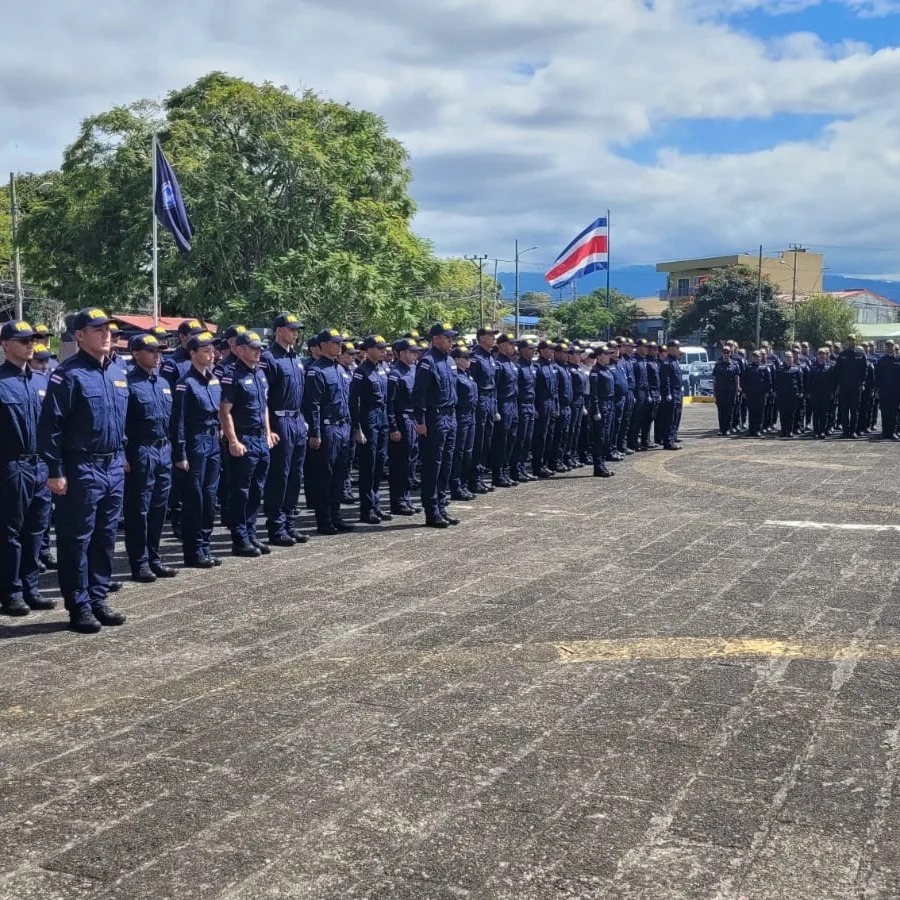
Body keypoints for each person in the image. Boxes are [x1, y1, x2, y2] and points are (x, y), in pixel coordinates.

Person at [38, 308, 128, 633]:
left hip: (112, 465)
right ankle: (79, 606)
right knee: (76, 539)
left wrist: (123, 453)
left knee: (105, 537)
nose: (107, 335)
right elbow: (51, 427)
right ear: (80, 336)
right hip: (81, 467)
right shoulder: (68, 374)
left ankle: (98, 597)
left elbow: (121, 420)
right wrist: (55, 470)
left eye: (108, 329)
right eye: (97, 330)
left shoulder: (118, 372)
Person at [0, 320, 55, 616]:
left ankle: (31, 588)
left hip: (40, 465)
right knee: (10, 531)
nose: (30, 344)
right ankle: (10, 592)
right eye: (23, 340)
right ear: (5, 345)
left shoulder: (40, 380)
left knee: (37, 529)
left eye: (32, 339)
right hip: (11, 465)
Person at [123, 333, 176, 582]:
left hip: (163, 450)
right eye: (151, 351)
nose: (157, 355)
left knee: (158, 508)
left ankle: (154, 557)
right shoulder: (128, 384)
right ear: (135, 354)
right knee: (139, 510)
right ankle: (139, 562)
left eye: (160, 351)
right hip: (140, 451)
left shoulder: (163, 382)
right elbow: (121, 424)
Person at [219, 330, 277, 556]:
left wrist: (268, 432)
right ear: (239, 349)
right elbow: (225, 411)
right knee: (240, 491)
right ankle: (239, 538)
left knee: (256, 489)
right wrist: (232, 440)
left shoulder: (260, 374)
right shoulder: (231, 375)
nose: (258, 351)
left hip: (260, 439)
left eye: (260, 348)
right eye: (253, 348)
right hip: (243, 439)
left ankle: (252, 533)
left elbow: (263, 407)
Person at [170, 331, 222, 568]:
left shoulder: (212, 378)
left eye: (212, 351)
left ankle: (206, 545)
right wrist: (180, 454)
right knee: (195, 498)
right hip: (194, 442)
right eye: (205, 351)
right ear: (192, 354)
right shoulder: (185, 383)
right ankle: (193, 550)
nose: (211, 355)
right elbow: (178, 421)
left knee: (210, 496)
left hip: (212, 441)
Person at [260, 313, 308, 546]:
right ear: (279, 330)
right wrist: (267, 429)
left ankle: (290, 523)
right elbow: (264, 399)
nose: (295, 333)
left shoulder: (295, 358)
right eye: (291, 329)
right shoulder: (269, 358)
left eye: (296, 329)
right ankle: (276, 527)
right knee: (280, 475)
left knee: (296, 476)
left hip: (297, 420)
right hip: (279, 421)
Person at [303, 329, 355, 535]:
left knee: (339, 475)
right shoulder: (317, 371)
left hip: (343, 426)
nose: (339, 346)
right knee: (324, 475)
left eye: (340, 343)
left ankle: (336, 515)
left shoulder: (340, 369)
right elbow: (312, 405)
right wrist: (315, 433)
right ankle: (324, 520)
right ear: (323, 345)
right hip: (327, 428)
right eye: (335, 343)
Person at [413, 323, 460, 528]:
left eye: (451, 338)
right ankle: (431, 511)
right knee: (433, 465)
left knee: (447, 464)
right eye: (446, 337)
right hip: (435, 418)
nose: (451, 341)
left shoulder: (449, 359)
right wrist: (421, 422)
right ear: (435, 339)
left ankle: (441, 506)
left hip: (450, 417)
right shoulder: (427, 361)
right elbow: (419, 395)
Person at [350, 335, 391, 524]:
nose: (383, 351)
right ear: (368, 350)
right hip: (368, 418)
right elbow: (353, 401)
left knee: (380, 463)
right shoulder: (361, 371)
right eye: (379, 348)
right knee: (369, 464)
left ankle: (376, 504)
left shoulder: (382, 368)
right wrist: (357, 428)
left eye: (384, 348)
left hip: (382, 417)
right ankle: (366, 509)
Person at [387, 338, 423, 514]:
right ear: (401, 353)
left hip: (414, 418)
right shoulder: (395, 374)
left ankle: (406, 498)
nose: (415, 354)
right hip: (402, 420)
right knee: (400, 462)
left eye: (416, 351)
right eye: (411, 352)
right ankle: (398, 501)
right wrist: (393, 427)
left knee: (412, 461)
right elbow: (390, 403)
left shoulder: (414, 370)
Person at [469, 327, 498, 493]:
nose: (493, 339)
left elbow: (492, 384)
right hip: (479, 401)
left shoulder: (489, 356)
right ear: (480, 338)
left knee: (486, 440)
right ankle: (473, 479)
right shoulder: (475, 357)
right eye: (490, 336)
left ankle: (479, 476)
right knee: (478, 441)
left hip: (489, 400)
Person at [490, 333, 519, 487]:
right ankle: (497, 473)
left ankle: (505, 471)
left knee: (512, 438)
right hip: (503, 404)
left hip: (513, 404)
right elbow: (494, 389)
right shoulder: (498, 364)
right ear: (501, 345)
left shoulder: (511, 363)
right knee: (502, 440)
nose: (513, 346)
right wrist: (496, 409)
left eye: (513, 344)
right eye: (510, 344)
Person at [450, 344, 478, 500]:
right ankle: (455, 486)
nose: (469, 361)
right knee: (458, 453)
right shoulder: (455, 377)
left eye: (469, 358)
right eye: (465, 358)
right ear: (455, 359)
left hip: (471, 415)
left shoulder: (468, 375)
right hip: (461, 416)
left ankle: (463, 484)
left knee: (468, 452)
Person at [532, 340, 558, 477]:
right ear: (541, 350)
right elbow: (534, 389)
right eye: (549, 349)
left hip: (551, 403)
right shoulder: (537, 366)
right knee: (540, 437)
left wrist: (556, 406)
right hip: (541, 404)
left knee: (549, 435)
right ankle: (538, 465)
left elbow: (555, 389)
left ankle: (546, 463)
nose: (551, 351)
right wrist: (535, 407)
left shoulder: (551, 365)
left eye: (552, 349)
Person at [512, 339, 537, 481]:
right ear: (522, 350)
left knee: (528, 439)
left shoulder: (532, 366)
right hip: (521, 405)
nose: (533, 351)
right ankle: (516, 470)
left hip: (530, 405)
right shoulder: (518, 367)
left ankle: (522, 467)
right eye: (530, 348)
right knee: (520, 440)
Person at [834, 336, 867, 438]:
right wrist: (838, 385)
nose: (851, 342)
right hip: (844, 387)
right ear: (846, 341)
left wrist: (862, 383)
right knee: (844, 411)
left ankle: (853, 431)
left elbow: (864, 370)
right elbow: (837, 371)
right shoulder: (842, 355)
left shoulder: (860, 354)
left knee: (854, 411)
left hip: (855, 387)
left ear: (855, 341)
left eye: (852, 340)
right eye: (849, 340)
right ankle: (845, 431)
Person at [589, 346, 615, 477]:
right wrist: (596, 410)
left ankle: (603, 464)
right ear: (599, 356)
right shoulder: (595, 372)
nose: (609, 356)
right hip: (601, 405)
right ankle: (598, 466)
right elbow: (593, 394)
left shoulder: (607, 369)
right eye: (606, 354)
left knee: (607, 436)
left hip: (609, 405)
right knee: (599, 437)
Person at [658, 340, 684, 450]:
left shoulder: (675, 361)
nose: (678, 350)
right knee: (670, 418)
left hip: (678, 392)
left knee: (676, 417)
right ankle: (668, 441)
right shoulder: (666, 362)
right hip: (672, 393)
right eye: (676, 348)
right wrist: (668, 393)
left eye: (678, 348)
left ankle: (672, 438)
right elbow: (666, 380)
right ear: (670, 349)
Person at [807, 348, 836, 440]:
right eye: (820, 354)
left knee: (824, 414)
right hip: (815, 394)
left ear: (826, 356)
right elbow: (808, 381)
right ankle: (816, 431)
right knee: (815, 413)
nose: (822, 356)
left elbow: (832, 381)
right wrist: (808, 392)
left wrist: (832, 392)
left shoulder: (829, 368)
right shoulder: (812, 368)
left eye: (823, 354)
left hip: (825, 394)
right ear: (817, 355)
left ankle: (822, 431)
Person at [742, 350, 772, 438]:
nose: (756, 358)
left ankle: (758, 430)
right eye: (754, 356)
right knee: (751, 412)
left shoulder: (765, 368)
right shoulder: (748, 367)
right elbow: (744, 380)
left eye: (757, 356)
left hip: (761, 394)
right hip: (750, 394)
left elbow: (769, 381)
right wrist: (744, 391)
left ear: (760, 357)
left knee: (759, 412)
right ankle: (751, 430)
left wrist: (767, 392)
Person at [775, 351, 804, 438]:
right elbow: (775, 381)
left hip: (793, 394)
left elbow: (800, 382)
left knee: (791, 413)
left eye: (790, 357)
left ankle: (790, 431)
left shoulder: (797, 369)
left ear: (793, 358)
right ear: (784, 359)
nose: (788, 359)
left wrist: (801, 392)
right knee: (783, 413)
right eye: (787, 357)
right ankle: (783, 431)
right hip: (782, 394)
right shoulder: (779, 369)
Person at [713, 347, 741, 435]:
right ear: (722, 354)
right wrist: (714, 391)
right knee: (721, 411)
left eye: (727, 352)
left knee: (729, 411)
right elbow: (715, 378)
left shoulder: (735, 364)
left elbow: (737, 378)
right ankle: (721, 429)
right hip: (720, 391)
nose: (725, 354)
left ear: (730, 353)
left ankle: (727, 429)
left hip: (730, 391)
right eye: (724, 352)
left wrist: (737, 390)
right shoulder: (718, 364)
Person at [875, 341, 900, 440]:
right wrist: (876, 390)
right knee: (885, 412)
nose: (889, 347)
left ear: (894, 347)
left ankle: (893, 432)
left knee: (894, 412)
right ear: (885, 348)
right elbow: (877, 377)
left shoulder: (898, 360)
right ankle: (885, 432)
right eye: (887, 346)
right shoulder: (881, 361)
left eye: (891, 346)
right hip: (884, 390)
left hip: (896, 390)